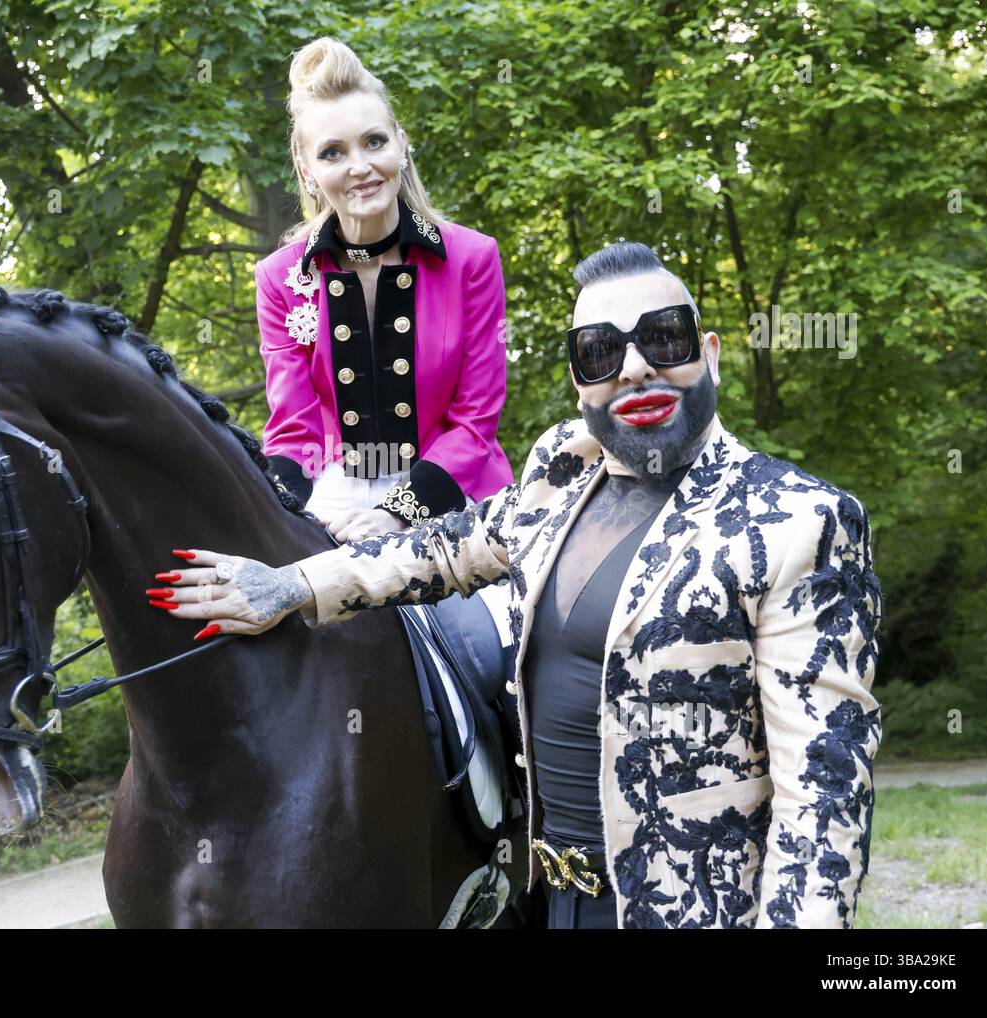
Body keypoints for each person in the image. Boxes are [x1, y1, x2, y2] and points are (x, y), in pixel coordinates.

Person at [150, 241, 883, 930]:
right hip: (547, 902)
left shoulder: (797, 520)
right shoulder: (562, 476)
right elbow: (438, 551)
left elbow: (824, 793)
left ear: (710, 353)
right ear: (580, 382)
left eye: (663, 339)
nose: (633, 369)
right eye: (600, 352)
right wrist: (289, 585)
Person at [255, 36, 513, 544]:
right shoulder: (279, 277)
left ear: (400, 142)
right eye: (333, 152)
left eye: (374, 142)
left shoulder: (472, 259)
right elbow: (294, 428)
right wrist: (270, 518)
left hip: (454, 492)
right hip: (333, 495)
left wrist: (398, 513)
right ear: (308, 171)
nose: (360, 167)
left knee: (509, 624)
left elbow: (476, 420)